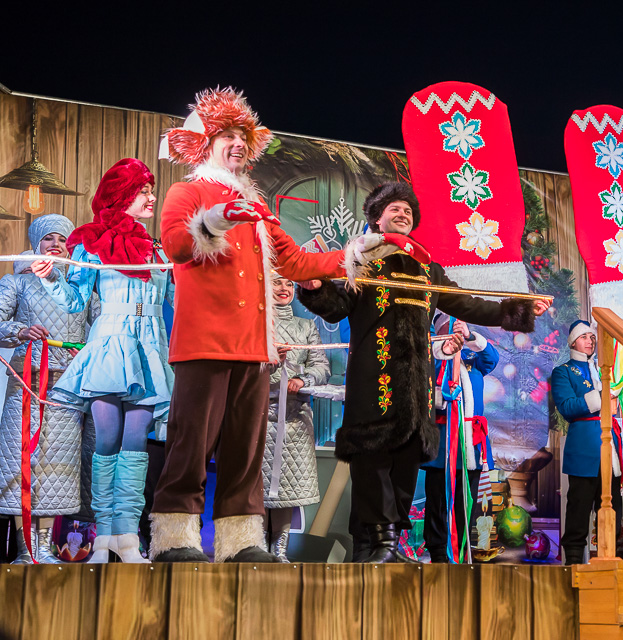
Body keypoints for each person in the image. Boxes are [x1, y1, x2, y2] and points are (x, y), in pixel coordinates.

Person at [298, 181, 545, 564]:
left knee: (404, 467)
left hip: (415, 390)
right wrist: (315, 287)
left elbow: (467, 305)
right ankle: (377, 546)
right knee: (372, 463)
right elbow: (335, 306)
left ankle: (389, 546)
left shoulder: (428, 269)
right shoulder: (359, 260)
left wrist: (518, 310)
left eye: (407, 210)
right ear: (377, 219)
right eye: (394, 208)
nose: (403, 213)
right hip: (373, 383)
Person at [150, 87, 346, 564]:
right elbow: (176, 244)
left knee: (245, 452)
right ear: (207, 144)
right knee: (191, 446)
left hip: (255, 348)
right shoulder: (187, 192)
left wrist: (359, 253)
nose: (237, 144)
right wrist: (217, 218)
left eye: (243, 137)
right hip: (204, 344)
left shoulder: (257, 208)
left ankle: (240, 541)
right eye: (227, 136)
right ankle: (174, 538)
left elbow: (297, 263)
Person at [31, 160, 174, 564]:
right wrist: (50, 278)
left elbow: (178, 301)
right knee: (107, 442)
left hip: (149, 348)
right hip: (110, 346)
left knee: (136, 443)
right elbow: (75, 300)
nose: (152, 197)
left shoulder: (159, 249)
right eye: (144, 191)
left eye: (151, 190)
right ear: (122, 195)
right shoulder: (92, 244)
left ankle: (126, 537)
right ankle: (103, 537)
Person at [0, 215, 94, 563]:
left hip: (67, 387)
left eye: (62, 239)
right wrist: (20, 331)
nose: (56, 244)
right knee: (21, 462)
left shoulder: (81, 288)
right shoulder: (16, 283)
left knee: (57, 469)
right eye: (48, 238)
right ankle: (25, 549)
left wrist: (89, 348)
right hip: (26, 384)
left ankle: (44, 546)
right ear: (36, 243)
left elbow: (103, 326)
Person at [260, 275, 331, 562]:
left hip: (296, 419)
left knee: (287, 489)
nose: (284, 289)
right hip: (259, 416)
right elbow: (240, 367)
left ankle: (279, 551)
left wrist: (303, 379)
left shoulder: (306, 326)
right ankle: (255, 547)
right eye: (277, 283)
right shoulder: (256, 324)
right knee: (256, 488)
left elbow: (322, 365)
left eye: (289, 284)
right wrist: (268, 361)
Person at [423, 317, 500, 563]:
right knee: (437, 501)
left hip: (470, 444)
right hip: (443, 442)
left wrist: (470, 337)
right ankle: (438, 553)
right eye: (450, 324)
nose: (455, 328)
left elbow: (492, 359)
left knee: (466, 501)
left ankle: (460, 551)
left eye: (459, 324)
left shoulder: (470, 357)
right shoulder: (432, 357)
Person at [552, 320, 623, 565]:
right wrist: (599, 396)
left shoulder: (605, 371)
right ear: (573, 342)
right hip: (584, 448)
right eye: (584, 337)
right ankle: (572, 564)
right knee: (578, 511)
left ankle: (609, 560)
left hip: (609, 449)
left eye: (592, 337)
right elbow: (567, 407)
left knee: (613, 509)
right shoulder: (563, 371)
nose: (590, 341)